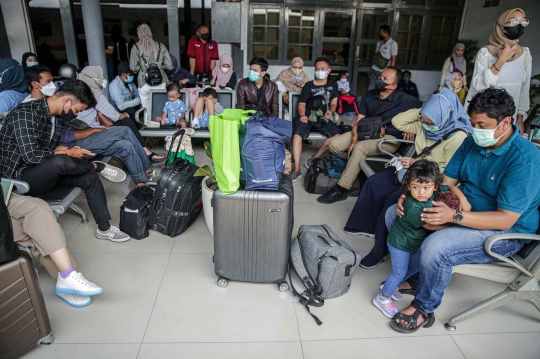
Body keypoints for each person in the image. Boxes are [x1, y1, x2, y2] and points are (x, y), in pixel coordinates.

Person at [388, 88, 540, 334]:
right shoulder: (472, 141)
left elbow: (505, 219)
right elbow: (446, 181)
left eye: (482, 124)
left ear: (506, 123)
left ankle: (424, 308)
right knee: (396, 214)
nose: (476, 130)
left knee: (437, 246)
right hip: (459, 209)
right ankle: (418, 275)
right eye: (473, 123)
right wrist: (415, 197)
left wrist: (454, 217)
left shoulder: (525, 159)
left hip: (505, 231)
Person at [347, 88, 470, 269]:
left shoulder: (457, 137)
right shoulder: (425, 125)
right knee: (375, 182)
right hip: (412, 172)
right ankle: (365, 226)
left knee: (393, 199)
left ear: (444, 116)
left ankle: (379, 251)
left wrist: (416, 163)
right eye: (424, 120)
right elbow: (398, 121)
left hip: (431, 182)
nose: (425, 124)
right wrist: (424, 112)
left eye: (429, 121)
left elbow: (449, 173)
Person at [0, 80, 131, 242]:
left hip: (43, 171)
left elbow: (51, 148)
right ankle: (95, 165)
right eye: (77, 110)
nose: (76, 115)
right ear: (67, 101)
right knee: (62, 161)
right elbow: (31, 156)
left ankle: (104, 228)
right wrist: (65, 152)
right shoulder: (25, 114)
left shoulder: (54, 117)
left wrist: (64, 150)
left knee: (88, 176)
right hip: (19, 178)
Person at [373, 160, 468, 318]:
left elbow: (451, 186)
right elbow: (429, 226)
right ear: (409, 187)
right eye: (415, 187)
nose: (421, 192)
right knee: (399, 272)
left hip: (412, 241)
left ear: (435, 187)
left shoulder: (435, 190)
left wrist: (462, 199)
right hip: (400, 243)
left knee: (413, 267)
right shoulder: (414, 206)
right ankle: (382, 298)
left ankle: (390, 287)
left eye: (426, 188)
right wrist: (453, 225)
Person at [318, 67, 423, 204]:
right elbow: (359, 121)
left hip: (389, 138)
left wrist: (412, 127)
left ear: (393, 86)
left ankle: (341, 189)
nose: (380, 80)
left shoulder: (406, 100)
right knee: (334, 145)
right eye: (380, 77)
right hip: (365, 131)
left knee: (360, 148)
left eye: (385, 79)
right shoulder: (369, 95)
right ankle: (357, 165)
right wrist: (354, 139)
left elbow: (425, 112)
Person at [8, 194, 103, 307]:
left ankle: (67, 276)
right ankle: (65, 280)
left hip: (4, 197)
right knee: (31, 233)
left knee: (37, 208)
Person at [77, 65, 165, 163]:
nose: (104, 79)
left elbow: (136, 96)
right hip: (94, 130)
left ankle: (145, 152)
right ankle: (146, 152)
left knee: (128, 119)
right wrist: (125, 114)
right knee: (126, 121)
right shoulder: (96, 94)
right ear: (93, 78)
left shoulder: (80, 91)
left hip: (91, 128)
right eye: (101, 76)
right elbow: (116, 114)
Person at [465, 8, 531, 134]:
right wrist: (500, 60)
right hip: (482, 119)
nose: (519, 25)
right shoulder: (486, 53)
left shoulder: (524, 54)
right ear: (501, 25)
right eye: (513, 21)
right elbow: (478, 87)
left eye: (523, 21)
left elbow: (524, 88)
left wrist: (520, 117)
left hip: (507, 120)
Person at [290, 57, 341, 181]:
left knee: (337, 134)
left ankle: (314, 158)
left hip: (323, 117)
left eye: (322, 69)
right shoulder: (309, 85)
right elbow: (301, 104)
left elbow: (334, 102)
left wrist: (331, 111)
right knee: (297, 135)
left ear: (329, 70)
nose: (319, 71)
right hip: (307, 116)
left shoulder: (333, 85)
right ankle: (296, 169)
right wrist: (302, 115)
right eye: (317, 69)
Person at [129, 24, 173, 110]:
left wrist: (142, 67)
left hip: (144, 81)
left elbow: (134, 68)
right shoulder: (161, 46)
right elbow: (169, 65)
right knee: (161, 107)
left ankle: (148, 122)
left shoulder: (135, 47)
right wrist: (160, 65)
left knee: (146, 109)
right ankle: (160, 121)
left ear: (138, 33)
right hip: (160, 80)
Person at [368, 25, 398, 91]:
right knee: (371, 88)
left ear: (386, 33)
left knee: (381, 89)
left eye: (381, 33)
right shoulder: (379, 43)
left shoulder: (393, 44)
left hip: (383, 71)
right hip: (374, 69)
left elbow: (393, 60)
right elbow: (375, 56)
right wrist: (371, 68)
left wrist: (390, 73)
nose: (379, 35)